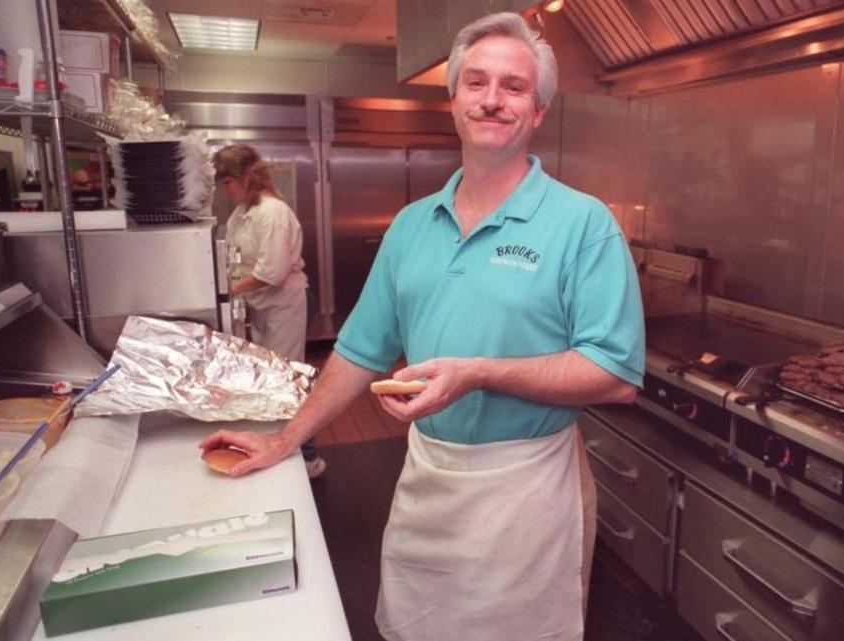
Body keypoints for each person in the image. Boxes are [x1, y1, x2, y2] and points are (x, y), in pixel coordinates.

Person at [199, 12, 644, 641]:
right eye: (477, 83)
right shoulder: (411, 226)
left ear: (538, 111)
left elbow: (614, 373)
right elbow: (357, 352)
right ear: (454, 100)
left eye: (514, 87)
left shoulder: (583, 223)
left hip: (529, 489)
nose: (493, 99)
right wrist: (284, 440)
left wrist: (480, 372)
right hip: (428, 479)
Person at [213, 144, 326, 479]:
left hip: (285, 306)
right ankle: (290, 451)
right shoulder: (242, 213)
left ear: (246, 177)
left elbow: (272, 272)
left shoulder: (271, 213)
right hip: (264, 306)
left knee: (288, 382)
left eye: (228, 183)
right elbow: (236, 258)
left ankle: (307, 458)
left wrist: (227, 291)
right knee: (275, 380)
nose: (226, 191)